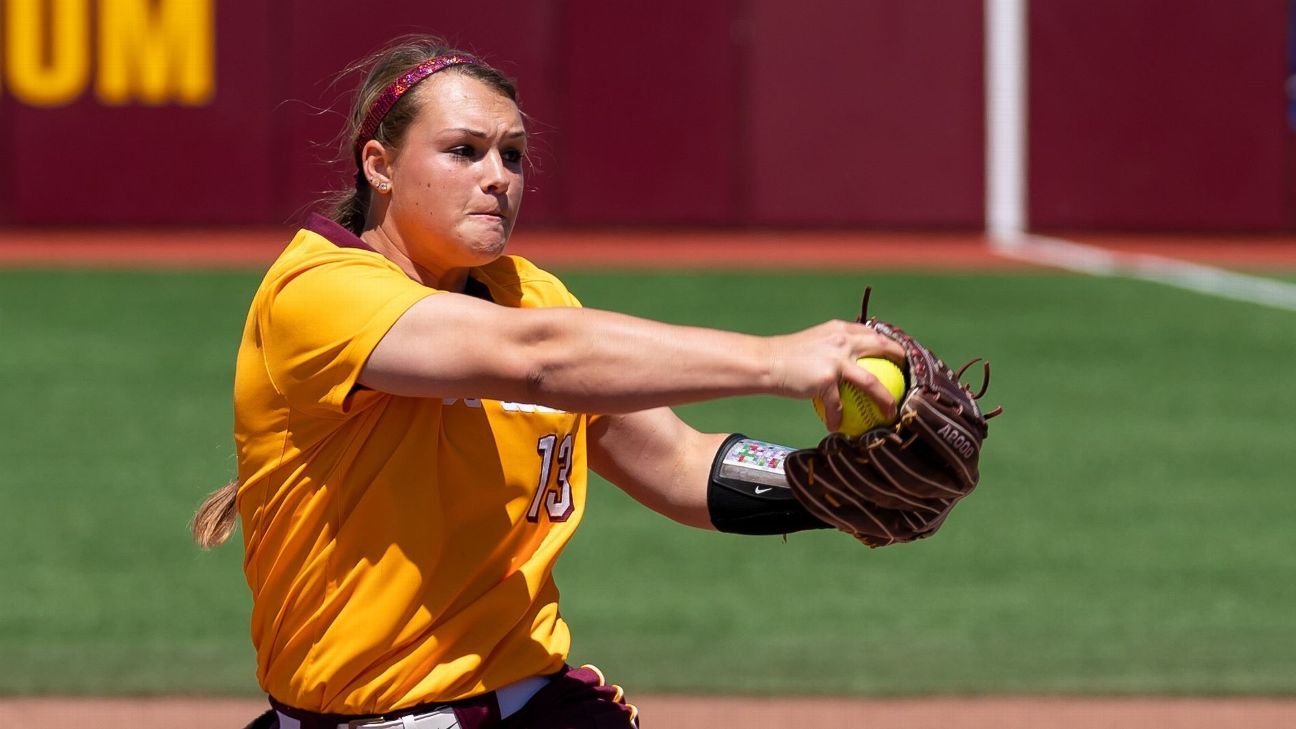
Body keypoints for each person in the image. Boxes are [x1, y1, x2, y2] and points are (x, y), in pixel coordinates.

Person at [191, 34, 904, 729]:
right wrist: (774, 361)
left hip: (535, 705)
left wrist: (838, 487)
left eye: (512, 154)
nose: (497, 176)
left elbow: (680, 464)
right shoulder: (318, 292)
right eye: (464, 151)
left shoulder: (532, 296)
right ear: (379, 166)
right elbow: (536, 359)